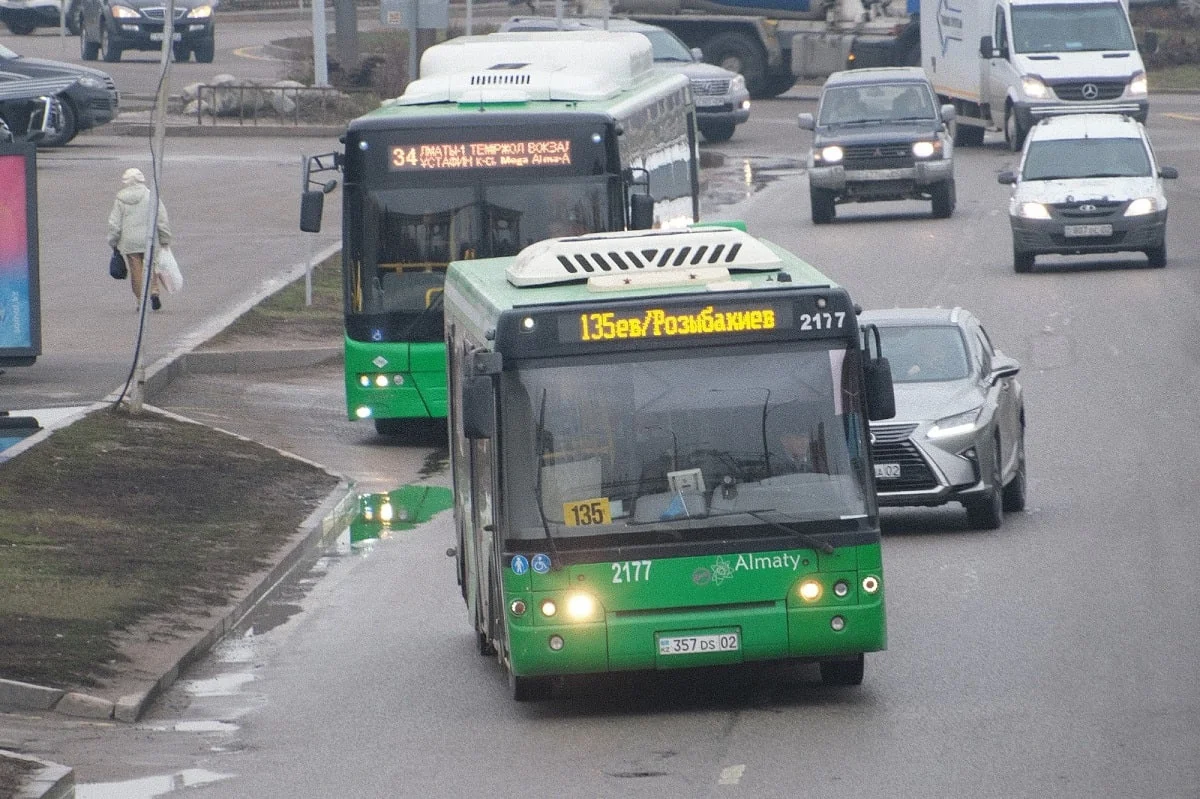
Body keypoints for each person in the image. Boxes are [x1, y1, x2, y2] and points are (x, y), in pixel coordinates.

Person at [107, 167, 171, 311]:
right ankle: (154, 291)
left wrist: (113, 241)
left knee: (136, 270)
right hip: (149, 239)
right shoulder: (151, 196)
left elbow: (114, 223)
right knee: (152, 266)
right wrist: (164, 238)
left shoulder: (120, 199)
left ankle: (140, 300)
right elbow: (161, 219)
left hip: (130, 241)